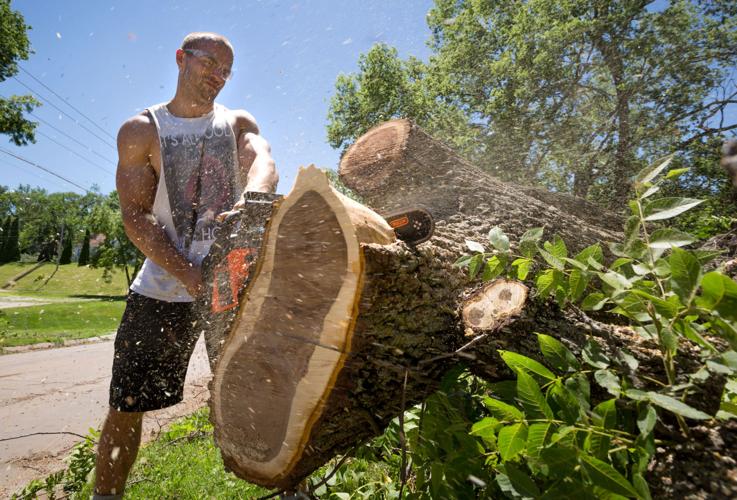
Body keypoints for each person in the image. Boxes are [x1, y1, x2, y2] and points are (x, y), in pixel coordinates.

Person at [93, 32, 278, 499]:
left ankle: (292, 485)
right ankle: (105, 495)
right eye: (209, 64)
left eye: (226, 71)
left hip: (233, 287)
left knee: (262, 393)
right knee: (126, 405)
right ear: (181, 58)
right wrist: (192, 275)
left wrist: (255, 195)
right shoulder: (142, 129)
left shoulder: (235, 121)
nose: (217, 76)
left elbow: (263, 158)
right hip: (163, 287)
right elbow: (135, 218)